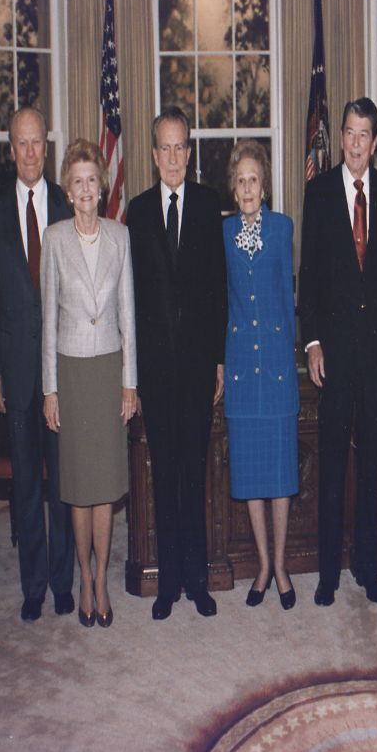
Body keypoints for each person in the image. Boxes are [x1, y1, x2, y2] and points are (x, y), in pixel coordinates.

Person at [299, 97, 377, 607]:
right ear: (340, 136)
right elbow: (312, 276)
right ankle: (327, 573)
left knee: (371, 463)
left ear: (375, 140)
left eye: (364, 134)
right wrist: (314, 342)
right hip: (336, 354)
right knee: (331, 466)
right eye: (348, 132)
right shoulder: (319, 192)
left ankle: (368, 567)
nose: (355, 143)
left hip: (376, 357)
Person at [126, 107, 227, 620]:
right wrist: (133, 376)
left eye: (180, 147)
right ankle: (168, 584)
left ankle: (198, 579)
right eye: (163, 147)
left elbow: (218, 290)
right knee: (163, 476)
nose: (172, 157)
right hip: (156, 374)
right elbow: (132, 301)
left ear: (190, 152)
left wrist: (218, 362)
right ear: (152, 155)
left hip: (196, 370)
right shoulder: (137, 213)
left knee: (196, 474)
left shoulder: (210, 206)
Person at [0, 107, 76, 622]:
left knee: (60, 482)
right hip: (15, 373)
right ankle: (33, 586)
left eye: (38, 143)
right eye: (22, 144)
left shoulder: (66, 204)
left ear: (47, 148)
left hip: (61, 370)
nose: (31, 152)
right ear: (11, 150)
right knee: (25, 484)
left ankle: (63, 582)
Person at [41, 139, 137, 628]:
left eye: (91, 180)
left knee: (105, 487)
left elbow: (127, 314)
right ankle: (83, 575)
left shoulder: (120, 235)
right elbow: (48, 320)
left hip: (108, 371)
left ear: (103, 186)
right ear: (67, 188)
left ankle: (102, 578)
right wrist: (50, 389)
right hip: (73, 371)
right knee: (79, 487)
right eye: (76, 181)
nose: (85, 189)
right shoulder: (54, 238)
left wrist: (130, 382)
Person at [222, 141, 298, 610]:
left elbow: (289, 304)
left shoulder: (283, 228)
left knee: (279, 475)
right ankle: (263, 566)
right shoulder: (223, 233)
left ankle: (283, 565)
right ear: (233, 189)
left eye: (254, 179)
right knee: (251, 475)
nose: (248, 187)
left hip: (274, 366)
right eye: (241, 180)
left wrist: (292, 360)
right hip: (240, 370)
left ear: (264, 185)